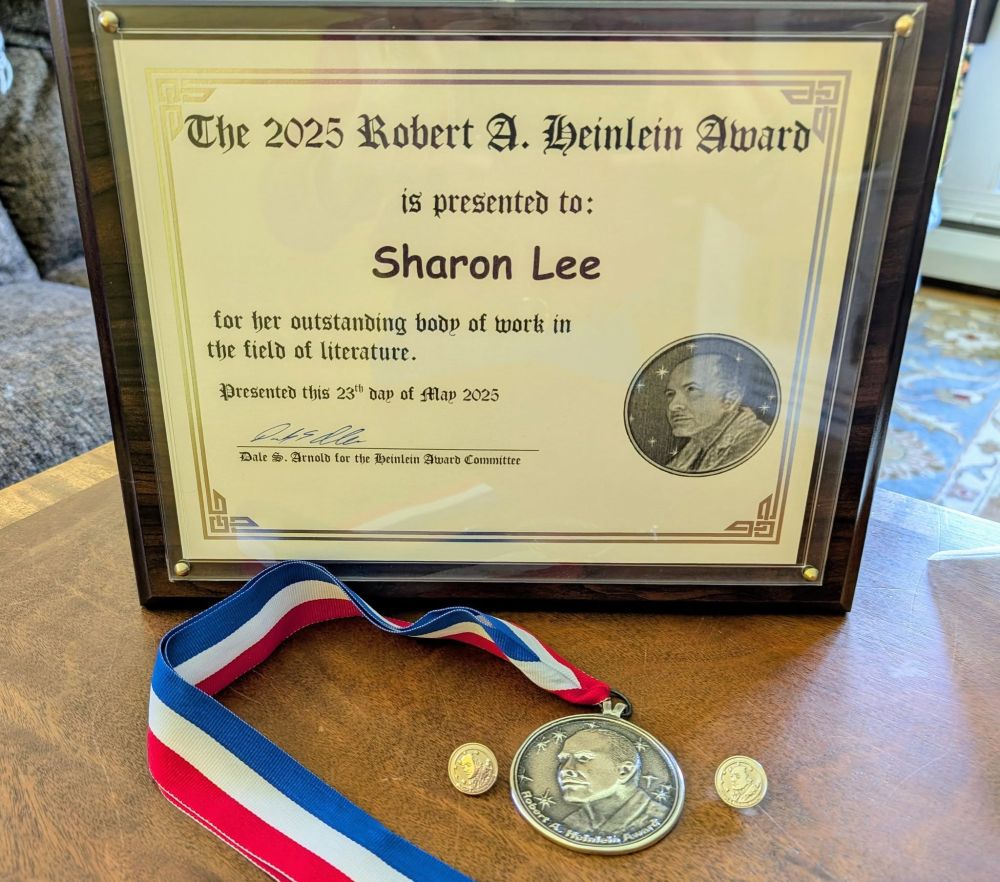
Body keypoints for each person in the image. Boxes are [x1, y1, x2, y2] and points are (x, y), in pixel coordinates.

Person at [663, 352, 770, 473]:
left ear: (729, 400)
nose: (673, 406)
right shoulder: (695, 445)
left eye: (691, 389)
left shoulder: (754, 440)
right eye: (670, 394)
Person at [556, 728, 669, 835]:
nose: (564, 770)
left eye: (583, 758)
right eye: (563, 759)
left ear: (624, 771)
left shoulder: (657, 817)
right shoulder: (570, 822)